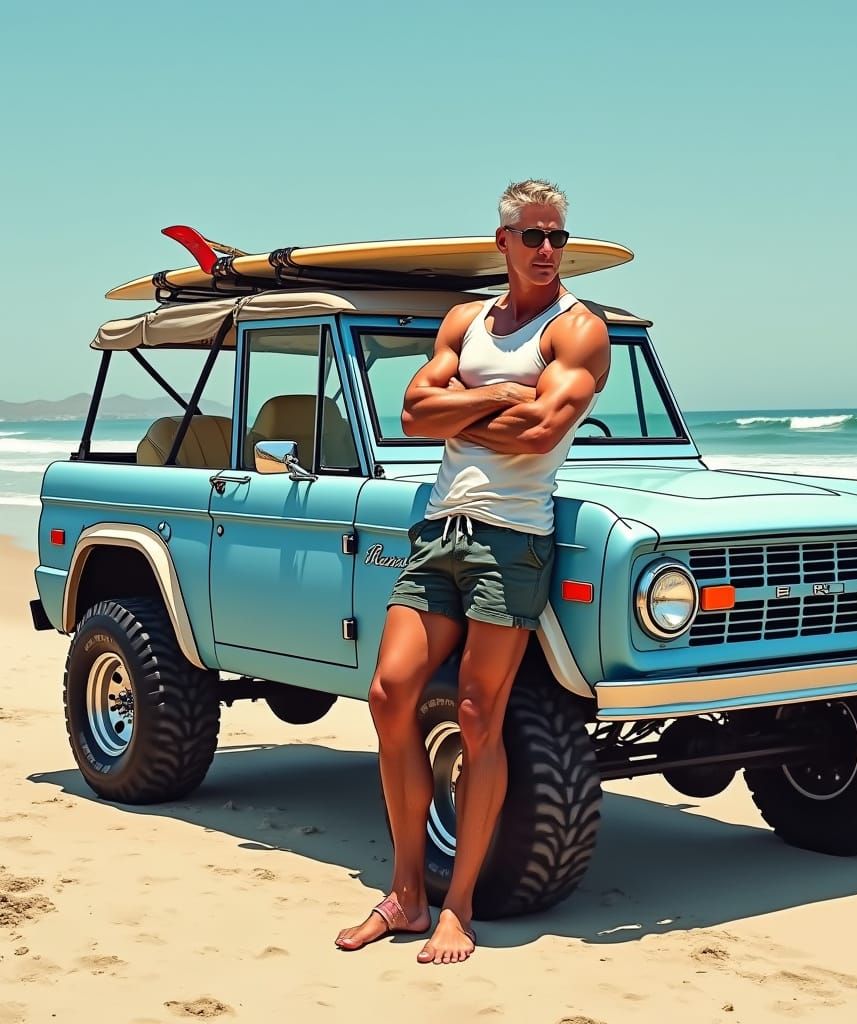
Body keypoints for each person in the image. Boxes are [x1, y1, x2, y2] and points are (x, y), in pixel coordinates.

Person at [335, 179, 610, 964]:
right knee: (390, 694)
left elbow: (542, 430)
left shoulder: (581, 329)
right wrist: (503, 395)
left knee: (480, 716)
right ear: (504, 242)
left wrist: (465, 400)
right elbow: (412, 416)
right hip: (439, 529)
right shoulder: (465, 321)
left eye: (559, 236)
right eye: (533, 236)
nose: (548, 250)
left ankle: (457, 906)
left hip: (513, 538)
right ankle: (406, 894)